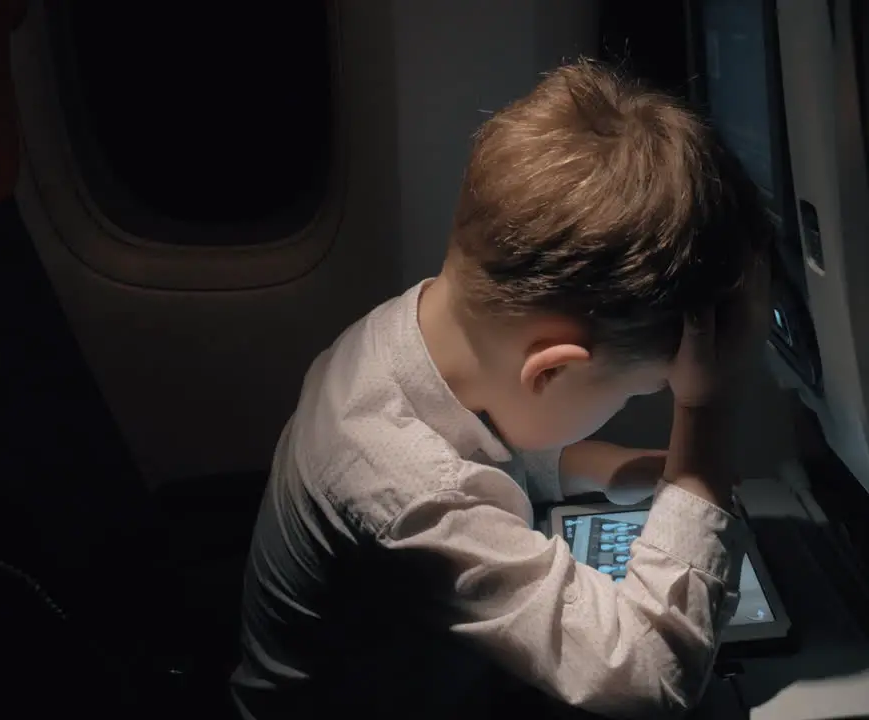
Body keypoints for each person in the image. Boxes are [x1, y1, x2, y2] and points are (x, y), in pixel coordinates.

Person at [231, 60, 772, 719]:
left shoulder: (413, 335)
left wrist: (629, 469)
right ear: (548, 370)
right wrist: (705, 411)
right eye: (638, 393)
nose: (639, 405)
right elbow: (650, 681)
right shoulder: (409, 491)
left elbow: (508, 442)